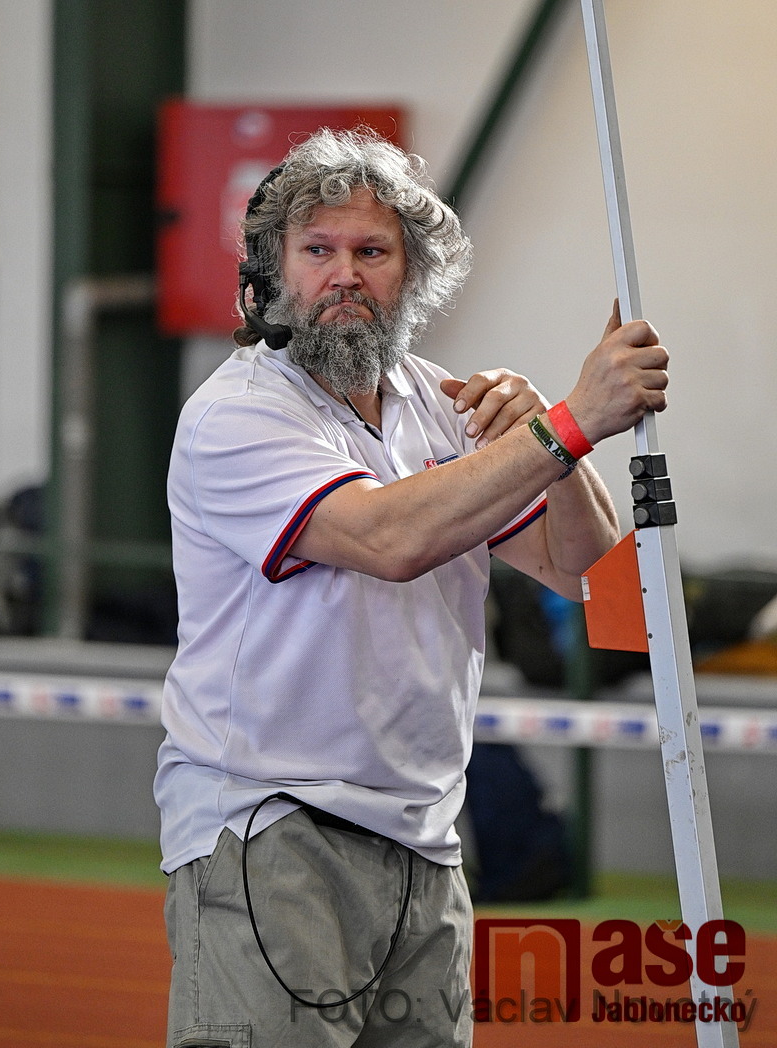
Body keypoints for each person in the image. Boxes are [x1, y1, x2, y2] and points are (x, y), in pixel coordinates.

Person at [154, 126, 668, 1047]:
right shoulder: (236, 414)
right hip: (271, 832)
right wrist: (567, 426)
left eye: (372, 252)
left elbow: (592, 581)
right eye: (317, 250)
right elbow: (387, 538)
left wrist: (558, 443)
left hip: (427, 843)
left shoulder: (437, 399)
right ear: (270, 273)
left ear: (411, 274)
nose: (344, 275)